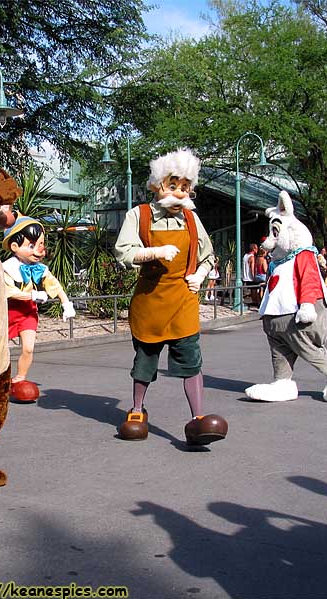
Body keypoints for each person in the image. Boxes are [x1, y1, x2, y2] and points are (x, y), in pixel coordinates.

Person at [114, 148, 225, 445]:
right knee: (145, 360)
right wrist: (154, 252)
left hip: (183, 300)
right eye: (173, 186)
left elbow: (208, 255)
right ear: (157, 185)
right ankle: (137, 410)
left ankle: (197, 418)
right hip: (150, 301)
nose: (179, 193)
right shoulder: (139, 215)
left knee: (191, 359)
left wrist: (199, 277)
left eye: (184, 187)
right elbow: (123, 251)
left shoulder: (190, 219)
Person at [2, 215, 75, 399]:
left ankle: (19, 379)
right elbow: (7, 291)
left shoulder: (40, 269)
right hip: (7, 313)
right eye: (32, 245)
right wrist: (33, 294)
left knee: (28, 348)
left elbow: (54, 285)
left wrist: (66, 303)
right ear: (14, 247)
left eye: (40, 244)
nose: (38, 250)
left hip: (28, 312)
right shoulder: (6, 268)